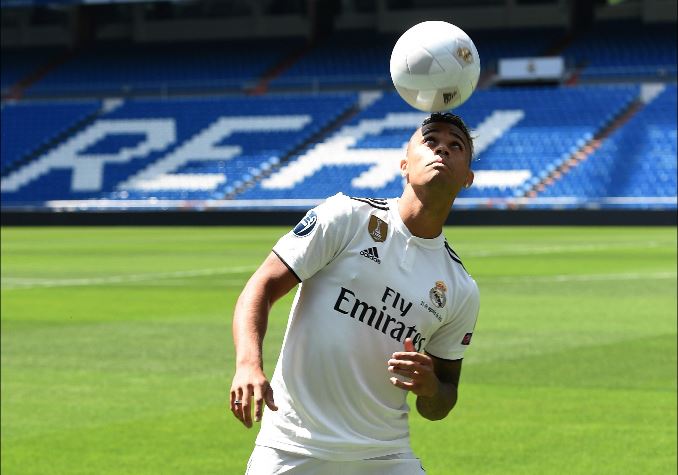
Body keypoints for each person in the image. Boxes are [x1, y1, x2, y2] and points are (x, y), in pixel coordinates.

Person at [230, 112, 480, 475]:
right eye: (430, 141)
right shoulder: (346, 217)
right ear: (404, 164)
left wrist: (429, 388)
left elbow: (444, 400)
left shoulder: (460, 287)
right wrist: (248, 364)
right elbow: (262, 285)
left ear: (467, 178)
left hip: (385, 456)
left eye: (456, 145)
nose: (442, 148)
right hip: (292, 447)